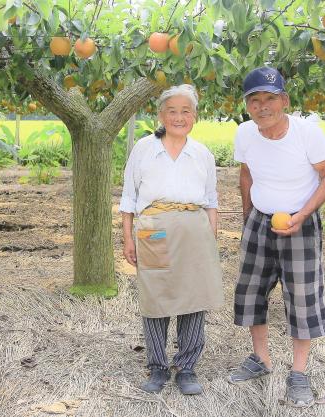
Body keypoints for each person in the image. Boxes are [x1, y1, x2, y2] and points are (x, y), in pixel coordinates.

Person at [228, 67, 325, 408]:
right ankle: (261, 359)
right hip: (260, 222)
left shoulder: (307, 133)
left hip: (300, 223)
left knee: (302, 297)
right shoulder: (245, 133)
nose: (263, 107)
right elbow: (246, 175)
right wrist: (248, 216)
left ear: (284, 101)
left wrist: (302, 215)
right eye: (255, 100)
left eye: (270, 99)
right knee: (251, 291)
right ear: (247, 105)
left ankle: (299, 373)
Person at [119, 84, 224, 395]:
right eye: (172, 111)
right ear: (160, 115)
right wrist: (128, 238)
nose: (179, 117)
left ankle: (187, 367)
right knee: (156, 297)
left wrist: (211, 234)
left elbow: (211, 199)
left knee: (194, 298)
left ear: (194, 116)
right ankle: (158, 367)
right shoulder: (143, 149)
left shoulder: (202, 153)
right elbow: (128, 197)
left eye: (185, 111)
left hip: (194, 230)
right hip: (155, 229)